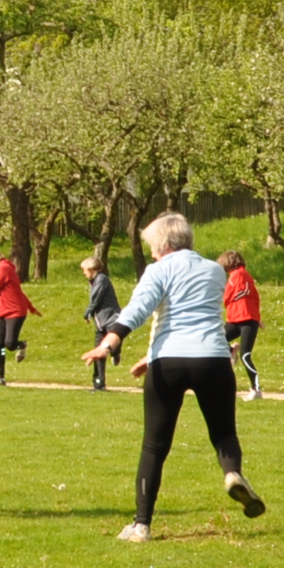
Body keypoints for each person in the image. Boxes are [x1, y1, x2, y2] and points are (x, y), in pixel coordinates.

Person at [88, 212, 265, 544]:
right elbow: (195, 317)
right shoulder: (215, 270)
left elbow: (138, 309)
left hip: (168, 362)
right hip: (213, 358)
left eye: (154, 248)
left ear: (165, 245)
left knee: (154, 445)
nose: (153, 254)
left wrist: (110, 342)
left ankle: (141, 526)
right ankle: (232, 474)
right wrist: (148, 355)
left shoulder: (159, 269)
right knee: (224, 432)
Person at [0, 247, 36, 384]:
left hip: (15, 312)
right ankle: (0, 377)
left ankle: (21, 345)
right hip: (2, 311)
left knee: (9, 343)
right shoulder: (6, 268)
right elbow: (17, 292)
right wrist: (31, 307)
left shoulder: (3, 268)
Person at [221, 251, 263, 399]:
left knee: (246, 355)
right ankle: (231, 351)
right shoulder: (241, 276)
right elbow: (253, 297)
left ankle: (256, 389)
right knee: (218, 338)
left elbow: (232, 294)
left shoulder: (238, 275)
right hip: (235, 319)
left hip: (246, 320)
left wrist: (256, 317)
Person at [80, 254, 121, 393]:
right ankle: (98, 383)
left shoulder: (101, 280)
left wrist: (88, 312)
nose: (84, 273)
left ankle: (116, 353)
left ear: (92, 269)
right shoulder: (94, 281)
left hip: (111, 319)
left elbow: (96, 300)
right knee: (98, 352)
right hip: (100, 323)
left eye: (85, 270)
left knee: (112, 346)